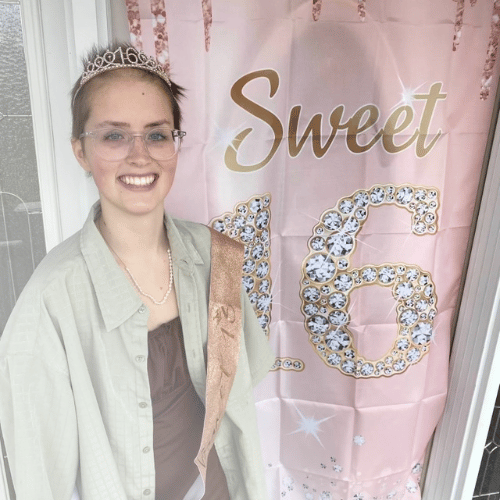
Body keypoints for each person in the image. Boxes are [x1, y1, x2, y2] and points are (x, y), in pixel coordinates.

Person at [0, 43, 275, 500]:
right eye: (113, 136)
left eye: (156, 134)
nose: (139, 155)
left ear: (176, 145)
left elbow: (242, 387)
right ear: (81, 152)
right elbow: (38, 477)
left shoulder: (213, 255)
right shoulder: (49, 303)